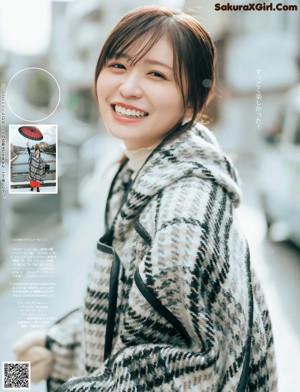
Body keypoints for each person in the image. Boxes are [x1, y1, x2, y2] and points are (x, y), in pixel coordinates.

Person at [13, 6, 277, 391]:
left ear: (191, 102)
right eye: (118, 66)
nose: (129, 87)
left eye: (156, 74)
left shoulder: (184, 214)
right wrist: (59, 346)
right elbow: (135, 315)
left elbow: (190, 374)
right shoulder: (142, 171)